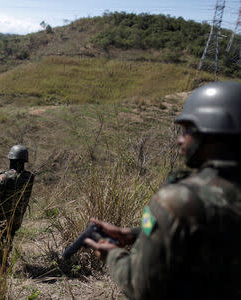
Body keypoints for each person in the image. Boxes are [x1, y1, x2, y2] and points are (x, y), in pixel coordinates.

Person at [84, 81, 241, 300]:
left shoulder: (179, 201)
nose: (180, 139)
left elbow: (141, 287)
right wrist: (134, 234)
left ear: (212, 129)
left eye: (188, 130)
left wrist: (112, 256)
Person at [0, 145, 35, 266]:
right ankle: (4, 260)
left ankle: (0, 266)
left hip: (2, 217)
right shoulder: (30, 177)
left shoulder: (3, 178)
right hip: (17, 218)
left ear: (11, 160)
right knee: (9, 237)